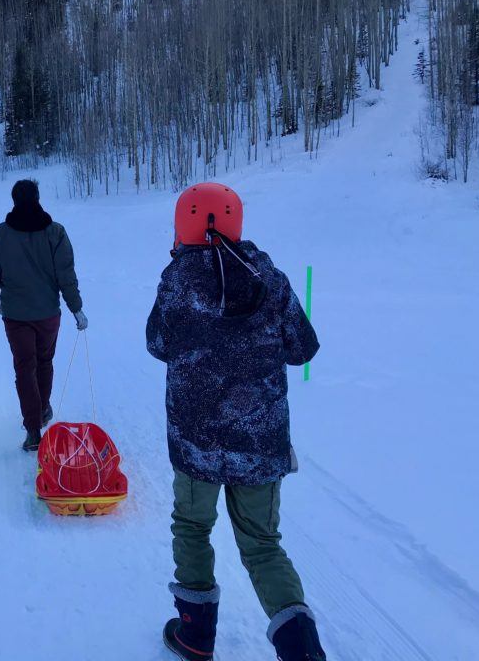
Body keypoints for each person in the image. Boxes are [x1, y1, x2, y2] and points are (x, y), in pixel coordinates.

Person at [146, 183, 325, 661]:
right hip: (259, 440)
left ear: (184, 223)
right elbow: (302, 347)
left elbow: (158, 343)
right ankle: (303, 652)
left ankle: (195, 635)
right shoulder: (270, 276)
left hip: (195, 442)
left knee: (191, 527)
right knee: (263, 546)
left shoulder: (177, 280)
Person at [0, 179, 87, 452]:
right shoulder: (55, 232)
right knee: (43, 362)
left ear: (14, 199)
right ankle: (41, 410)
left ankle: (32, 430)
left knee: (24, 367)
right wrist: (76, 308)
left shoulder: (1, 234)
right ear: (38, 197)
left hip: (15, 315)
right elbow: (66, 275)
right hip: (47, 314)